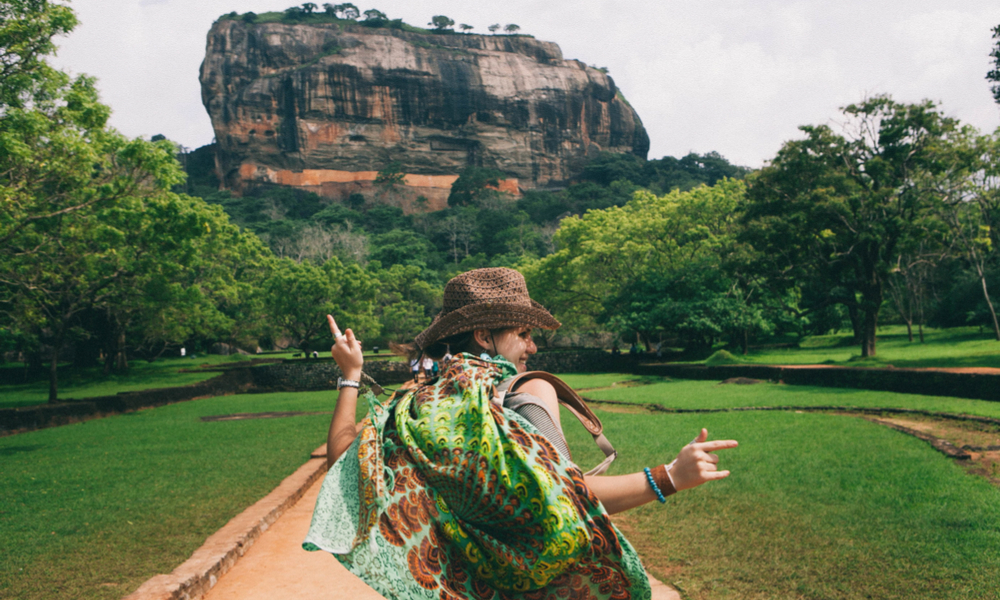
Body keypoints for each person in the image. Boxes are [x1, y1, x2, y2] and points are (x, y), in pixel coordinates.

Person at [305, 267, 737, 600]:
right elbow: (570, 495)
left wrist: (351, 375)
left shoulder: (416, 405)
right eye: (524, 334)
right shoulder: (528, 389)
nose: (533, 347)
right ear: (483, 336)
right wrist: (670, 476)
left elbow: (343, 456)